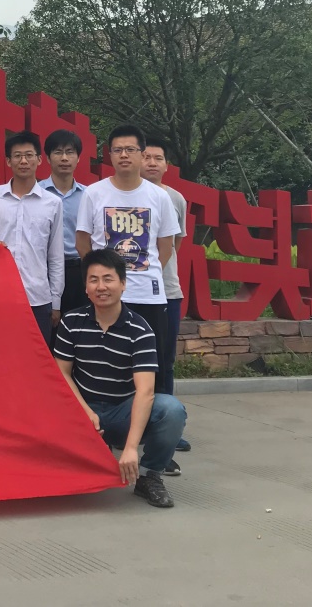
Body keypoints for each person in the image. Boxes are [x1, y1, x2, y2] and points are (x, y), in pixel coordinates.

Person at [53, 248, 186, 509]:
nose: (101, 287)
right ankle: (82, 458)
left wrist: (131, 448)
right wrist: (84, 411)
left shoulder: (140, 330)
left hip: (123, 411)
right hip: (82, 412)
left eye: (108, 279)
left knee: (171, 410)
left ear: (123, 284)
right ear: (85, 287)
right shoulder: (71, 322)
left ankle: (148, 476)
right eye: (93, 280)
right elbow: (61, 373)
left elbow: (145, 392)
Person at [76, 124, 179, 397]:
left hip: (149, 296)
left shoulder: (160, 197)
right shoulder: (94, 193)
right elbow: (82, 242)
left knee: (152, 366)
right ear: (109, 155)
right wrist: (101, 278)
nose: (124, 155)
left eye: (130, 149)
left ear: (142, 154)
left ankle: (155, 418)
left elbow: (165, 247)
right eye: (118, 150)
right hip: (106, 296)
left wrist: (145, 273)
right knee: (106, 366)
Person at [0, 131, 64, 346]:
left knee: (36, 356)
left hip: (37, 298)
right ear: (8, 161)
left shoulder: (52, 203)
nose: (23, 161)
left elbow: (55, 256)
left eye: (29, 155)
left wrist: (56, 302)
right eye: (17, 156)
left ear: (39, 160)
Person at [142, 136, 192, 461]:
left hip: (167, 290)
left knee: (165, 360)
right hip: (133, 291)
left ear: (166, 165)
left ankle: (166, 428)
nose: (151, 163)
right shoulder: (123, 196)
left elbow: (175, 244)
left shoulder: (176, 199)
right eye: (146, 157)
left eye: (157, 158)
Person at [41, 129, 89, 316]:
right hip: (45, 270)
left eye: (70, 152)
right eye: (58, 152)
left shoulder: (89, 196)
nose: (64, 158)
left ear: (78, 158)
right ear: (47, 158)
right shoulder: (36, 194)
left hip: (79, 269)